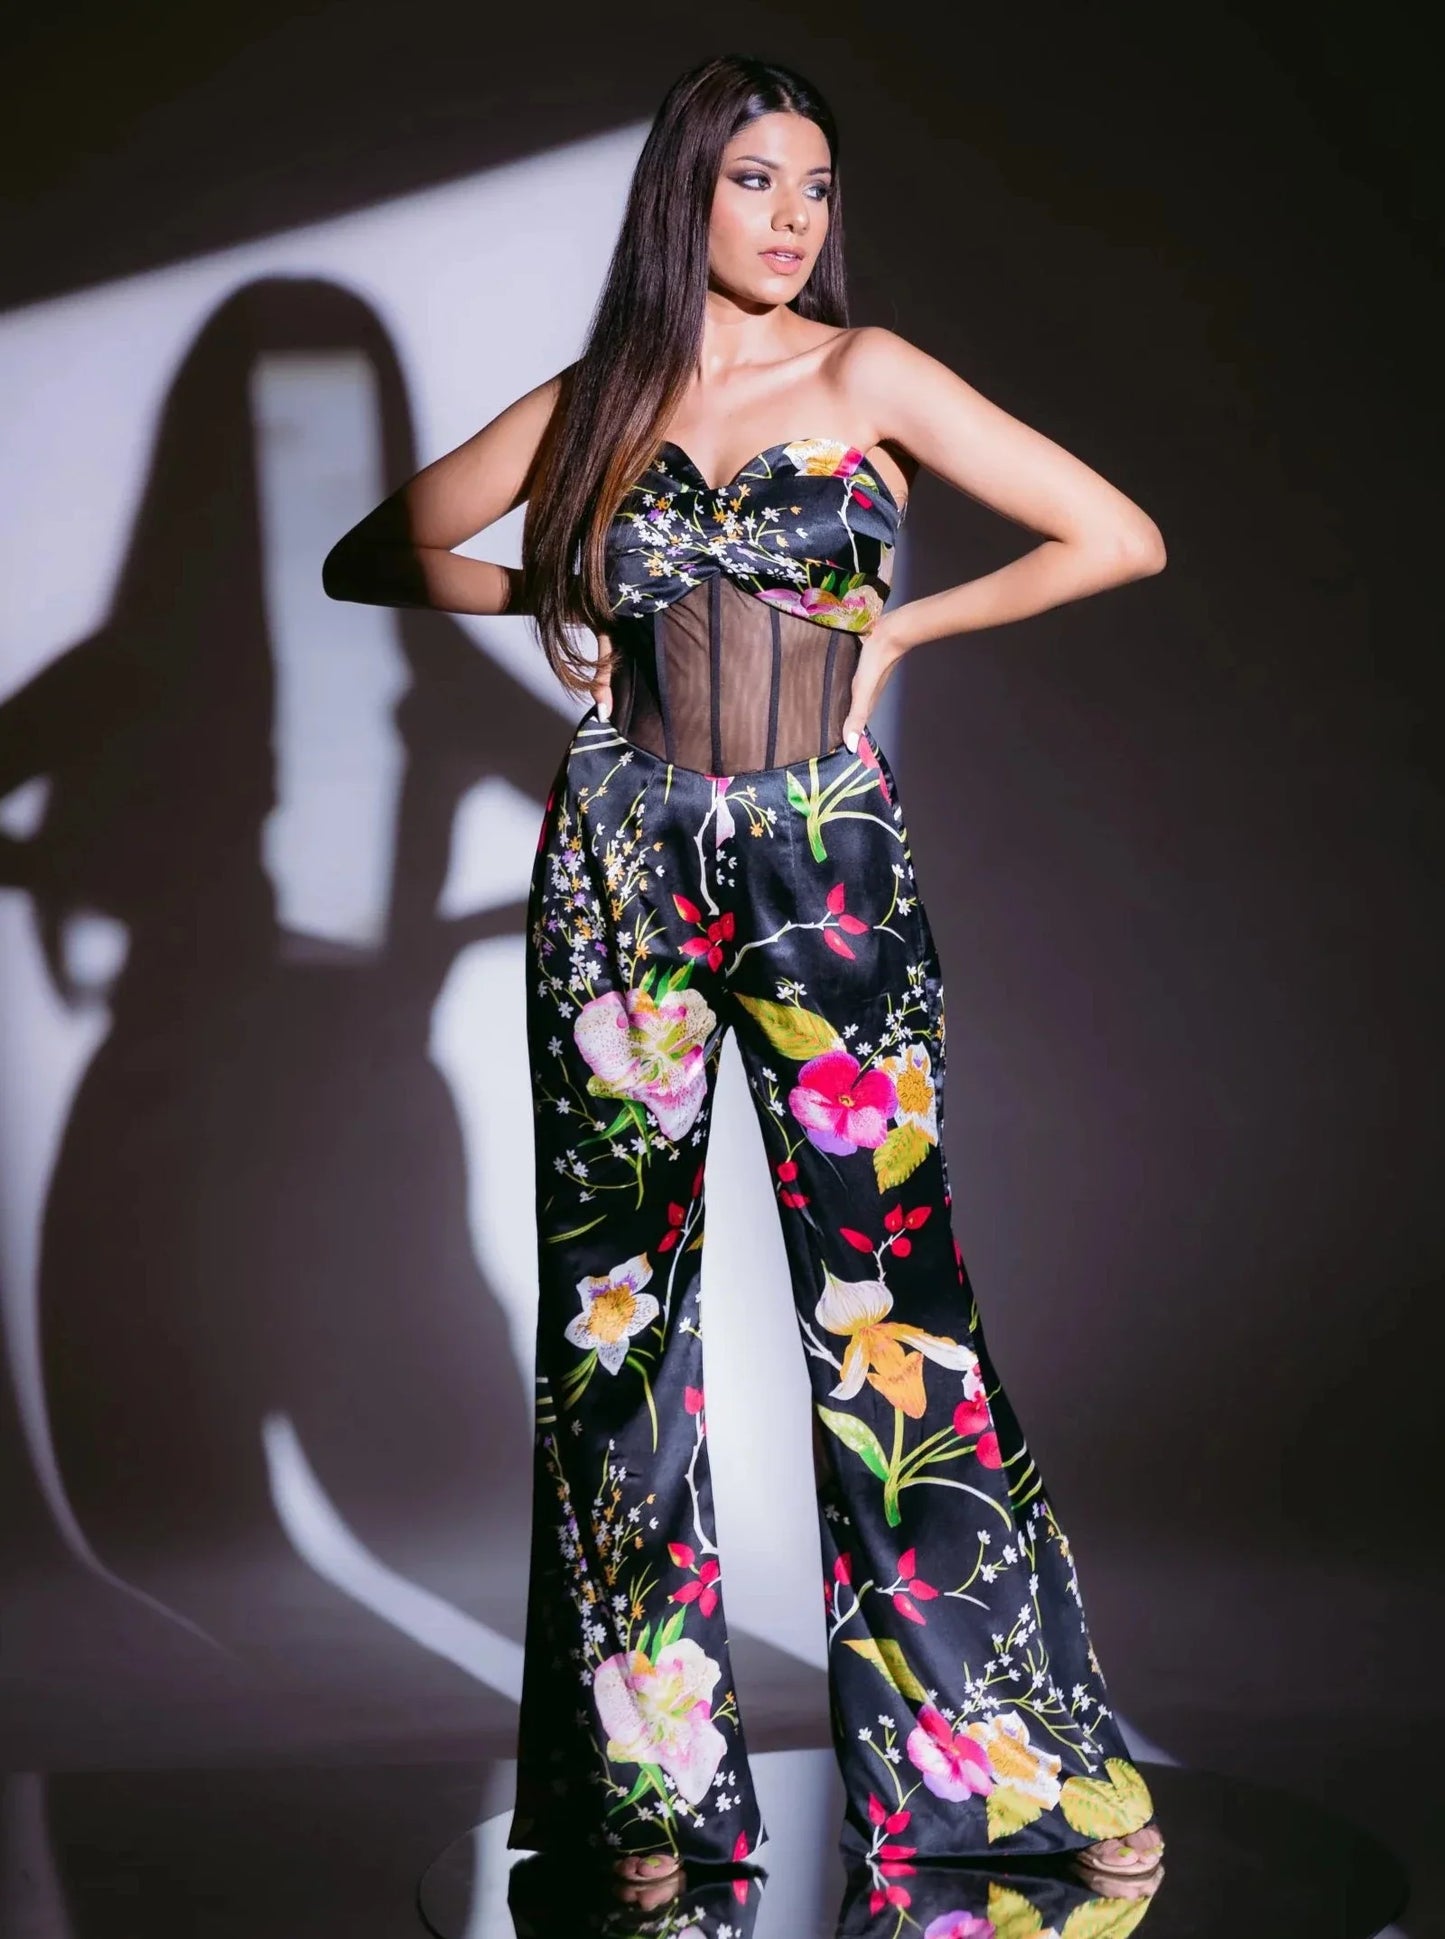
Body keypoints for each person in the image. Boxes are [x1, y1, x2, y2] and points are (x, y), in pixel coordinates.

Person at [325, 49, 1167, 1899]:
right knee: (614, 1324)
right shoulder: (602, 403)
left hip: (822, 867)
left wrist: (896, 634)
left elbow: (1118, 536)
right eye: (753, 182)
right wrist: (557, 595)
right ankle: (646, 1793)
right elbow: (372, 552)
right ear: (682, 197)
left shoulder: (866, 375)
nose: (791, 219)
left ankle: (1016, 1769)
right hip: (619, 861)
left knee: (890, 1316)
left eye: (815, 187)